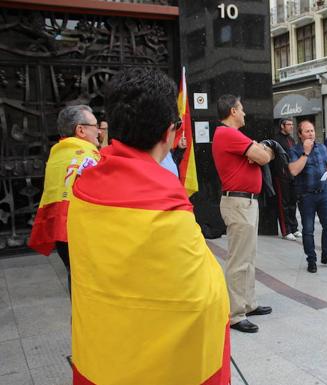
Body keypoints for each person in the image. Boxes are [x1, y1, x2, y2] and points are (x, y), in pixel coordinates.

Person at [67, 68, 230, 384]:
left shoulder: (84, 186)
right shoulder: (166, 197)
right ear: (169, 131)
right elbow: (202, 294)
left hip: (103, 348)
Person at [212, 94, 274, 333]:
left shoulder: (230, 135)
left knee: (248, 257)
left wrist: (258, 152)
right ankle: (236, 314)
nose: (245, 113)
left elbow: (258, 156)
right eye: (242, 108)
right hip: (238, 203)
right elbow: (263, 157)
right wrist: (262, 151)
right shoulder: (228, 134)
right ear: (233, 111)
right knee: (239, 260)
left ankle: (248, 304)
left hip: (245, 202)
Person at [29, 105, 101, 293]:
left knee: (75, 278)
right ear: (81, 130)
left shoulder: (58, 154)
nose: (99, 131)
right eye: (95, 125)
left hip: (61, 232)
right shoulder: (88, 155)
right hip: (84, 231)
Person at [288, 120, 327, 273]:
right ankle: (311, 260)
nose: (311, 134)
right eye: (307, 131)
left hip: (324, 193)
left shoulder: (322, 147)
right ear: (299, 134)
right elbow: (293, 171)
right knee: (308, 230)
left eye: (312, 130)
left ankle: (326, 255)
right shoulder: (295, 150)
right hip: (306, 196)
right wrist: (305, 153)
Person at [274, 118, 301, 241]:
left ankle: (294, 228)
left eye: (292, 124)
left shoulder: (291, 139)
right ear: (282, 126)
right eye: (288, 124)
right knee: (283, 203)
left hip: (292, 174)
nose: (291, 127)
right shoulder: (276, 139)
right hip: (281, 175)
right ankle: (286, 231)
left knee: (292, 202)